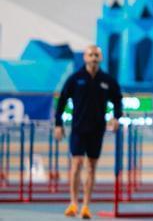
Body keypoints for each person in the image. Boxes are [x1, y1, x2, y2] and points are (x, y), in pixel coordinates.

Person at [54, 45, 123, 219]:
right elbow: (62, 100)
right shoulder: (75, 79)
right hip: (78, 128)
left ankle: (85, 206)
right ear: (85, 57)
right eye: (90, 55)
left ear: (101, 58)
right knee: (76, 164)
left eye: (96, 55)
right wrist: (58, 124)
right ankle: (73, 203)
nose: (93, 58)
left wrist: (116, 117)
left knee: (91, 167)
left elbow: (118, 100)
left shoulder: (107, 80)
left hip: (97, 129)